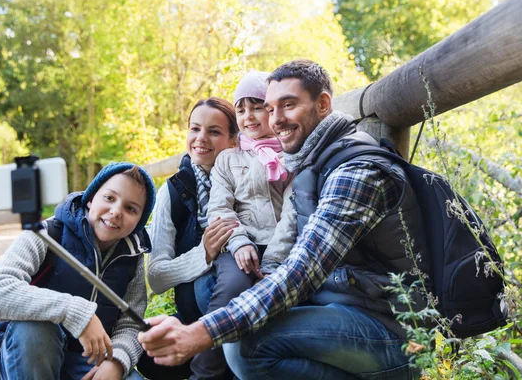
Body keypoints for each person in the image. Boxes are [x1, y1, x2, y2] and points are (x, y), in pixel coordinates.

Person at [139, 59, 427, 380]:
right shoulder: (308, 161)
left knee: (246, 346)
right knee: (236, 320)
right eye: (271, 108)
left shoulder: (353, 171)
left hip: (386, 328)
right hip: (339, 306)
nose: (276, 120)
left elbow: (302, 269)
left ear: (323, 104)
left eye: (287, 105)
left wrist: (200, 333)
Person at [0, 162, 156, 380]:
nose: (116, 211)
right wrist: (74, 312)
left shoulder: (132, 256)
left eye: (131, 208)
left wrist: (116, 362)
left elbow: (130, 324)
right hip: (28, 354)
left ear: (139, 221)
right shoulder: (47, 234)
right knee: (36, 329)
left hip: (89, 360)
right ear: (90, 199)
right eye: (109, 198)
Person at [186, 71, 297, 379]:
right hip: (239, 243)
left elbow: (293, 209)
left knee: (276, 296)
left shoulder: (291, 154)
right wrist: (239, 242)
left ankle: (247, 370)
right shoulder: (228, 160)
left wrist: (275, 257)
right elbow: (219, 207)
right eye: (241, 109)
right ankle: (204, 372)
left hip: (281, 245)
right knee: (233, 286)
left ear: (271, 108)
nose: (249, 115)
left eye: (257, 106)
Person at [140, 97, 240, 379]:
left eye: (214, 131)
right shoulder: (173, 191)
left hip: (242, 309)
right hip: (194, 315)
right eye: (194, 129)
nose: (201, 138)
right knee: (148, 355)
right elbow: (156, 277)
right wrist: (203, 254)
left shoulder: (249, 181)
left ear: (234, 140)